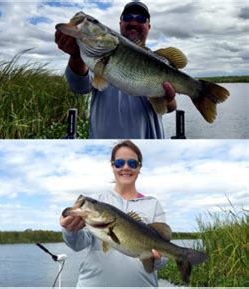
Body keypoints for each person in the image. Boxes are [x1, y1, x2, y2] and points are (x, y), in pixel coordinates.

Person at [55, 1, 177, 139]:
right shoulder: (95, 57)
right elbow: (79, 86)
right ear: (120, 24)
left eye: (141, 19)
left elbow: (170, 107)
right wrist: (76, 58)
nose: (134, 22)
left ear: (148, 26)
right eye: (127, 18)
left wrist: (168, 100)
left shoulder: (160, 62)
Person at [60, 140, 168, 286]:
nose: (125, 168)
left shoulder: (153, 204)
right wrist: (70, 231)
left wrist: (157, 259)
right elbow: (78, 245)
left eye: (132, 163)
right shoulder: (98, 199)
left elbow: (163, 258)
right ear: (112, 166)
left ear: (139, 168)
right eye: (119, 163)